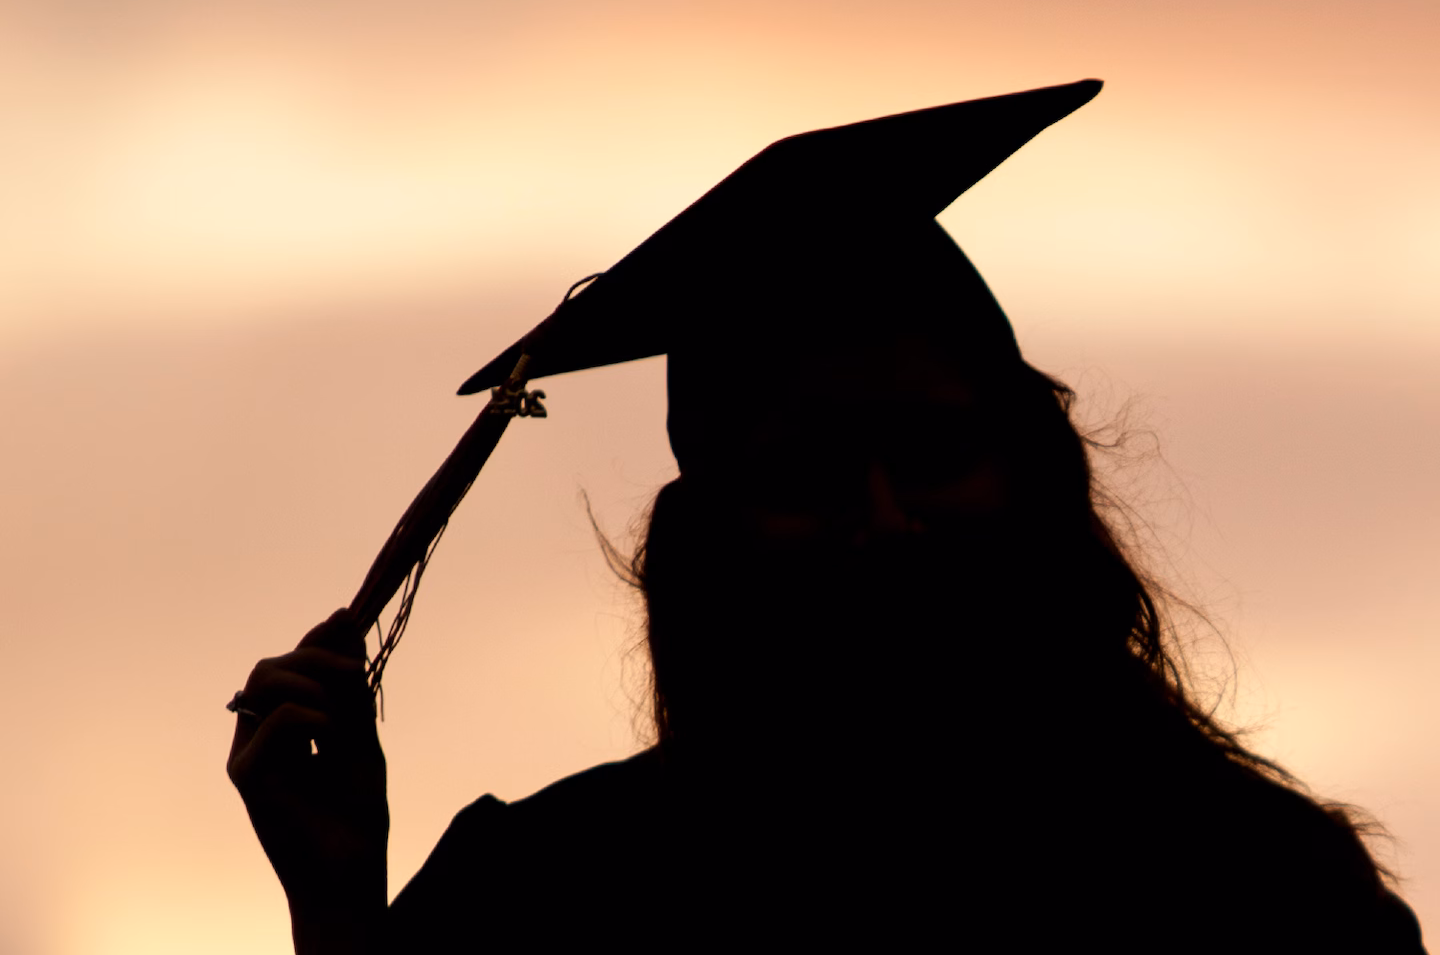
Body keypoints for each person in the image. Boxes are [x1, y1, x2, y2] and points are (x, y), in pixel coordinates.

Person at [226, 81, 1427, 952]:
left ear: (1034, 473)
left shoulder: (1259, 894)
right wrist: (339, 918)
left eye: (937, 455)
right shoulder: (553, 898)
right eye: (808, 477)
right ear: (708, 539)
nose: (886, 522)